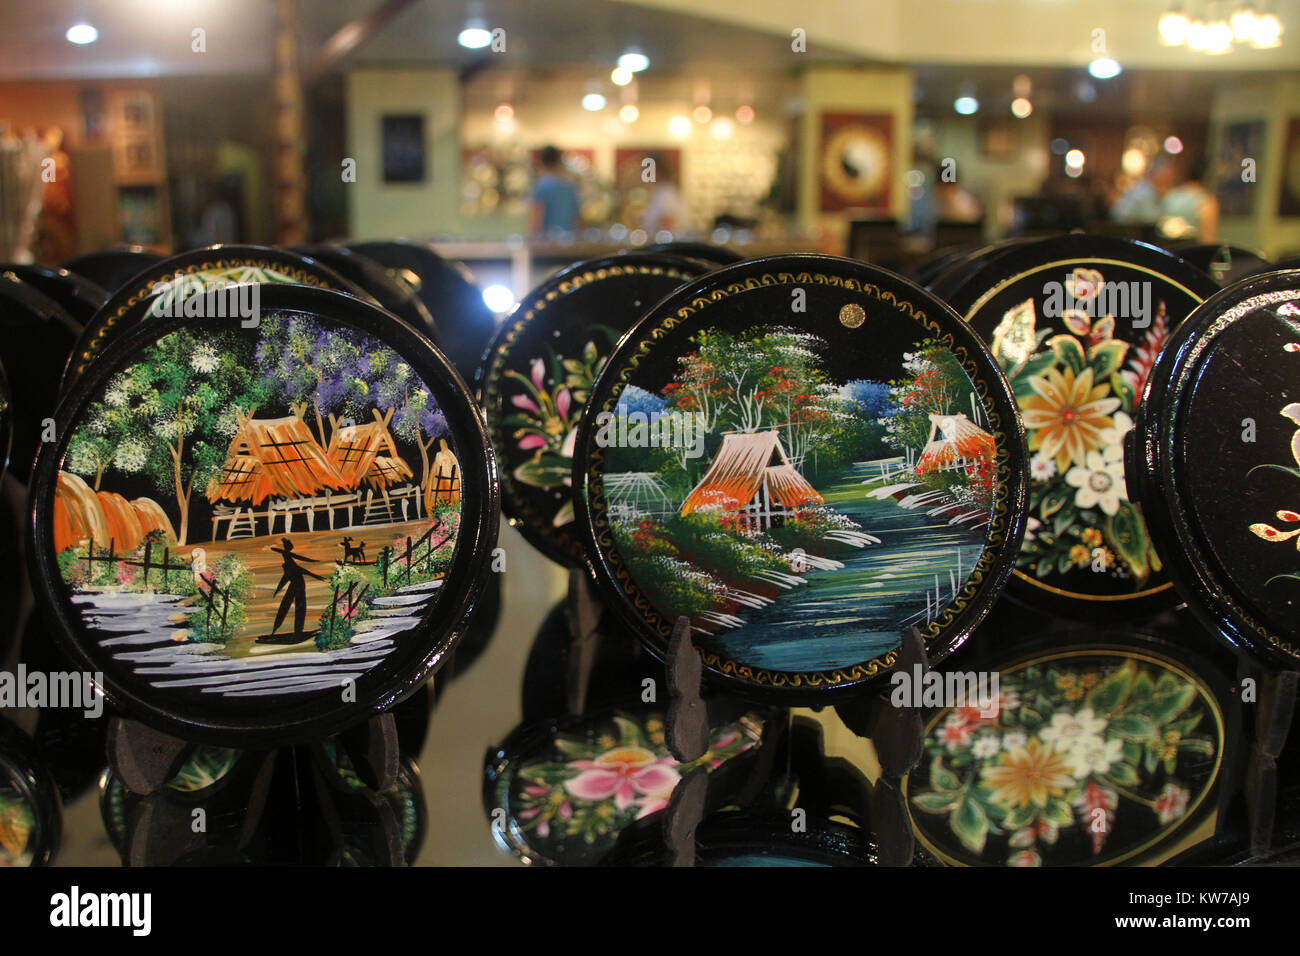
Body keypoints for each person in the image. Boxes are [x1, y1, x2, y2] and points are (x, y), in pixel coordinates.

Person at [265, 538, 325, 643]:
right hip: (295, 584)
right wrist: (277, 590)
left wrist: (316, 576)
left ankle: (296, 632)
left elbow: (298, 572)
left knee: (297, 607)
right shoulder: (288, 564)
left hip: (299, 585)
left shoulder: (289, 563)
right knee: (286, 606)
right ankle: (278, 630)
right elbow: (286, 577)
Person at [1159, 156, 1219, 242]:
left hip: (1165, 249)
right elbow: (1208, 237)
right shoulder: (1205, 201)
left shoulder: (1171, 195)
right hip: (1189, 252)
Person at [1111, 156, 1176, 225]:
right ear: (1156, 175)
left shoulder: (1144, 187)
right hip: (1123, 228)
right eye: (1165, 177)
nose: (1168, 181)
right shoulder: (1145, 192)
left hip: (1126, 226)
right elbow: (1150, 218)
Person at [531, 145, 580, 236]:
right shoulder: (569, 186)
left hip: (547, 244)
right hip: (568, 242)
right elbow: (577, 220)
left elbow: (536, 223)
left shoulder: (541, 187)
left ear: (542, 162)